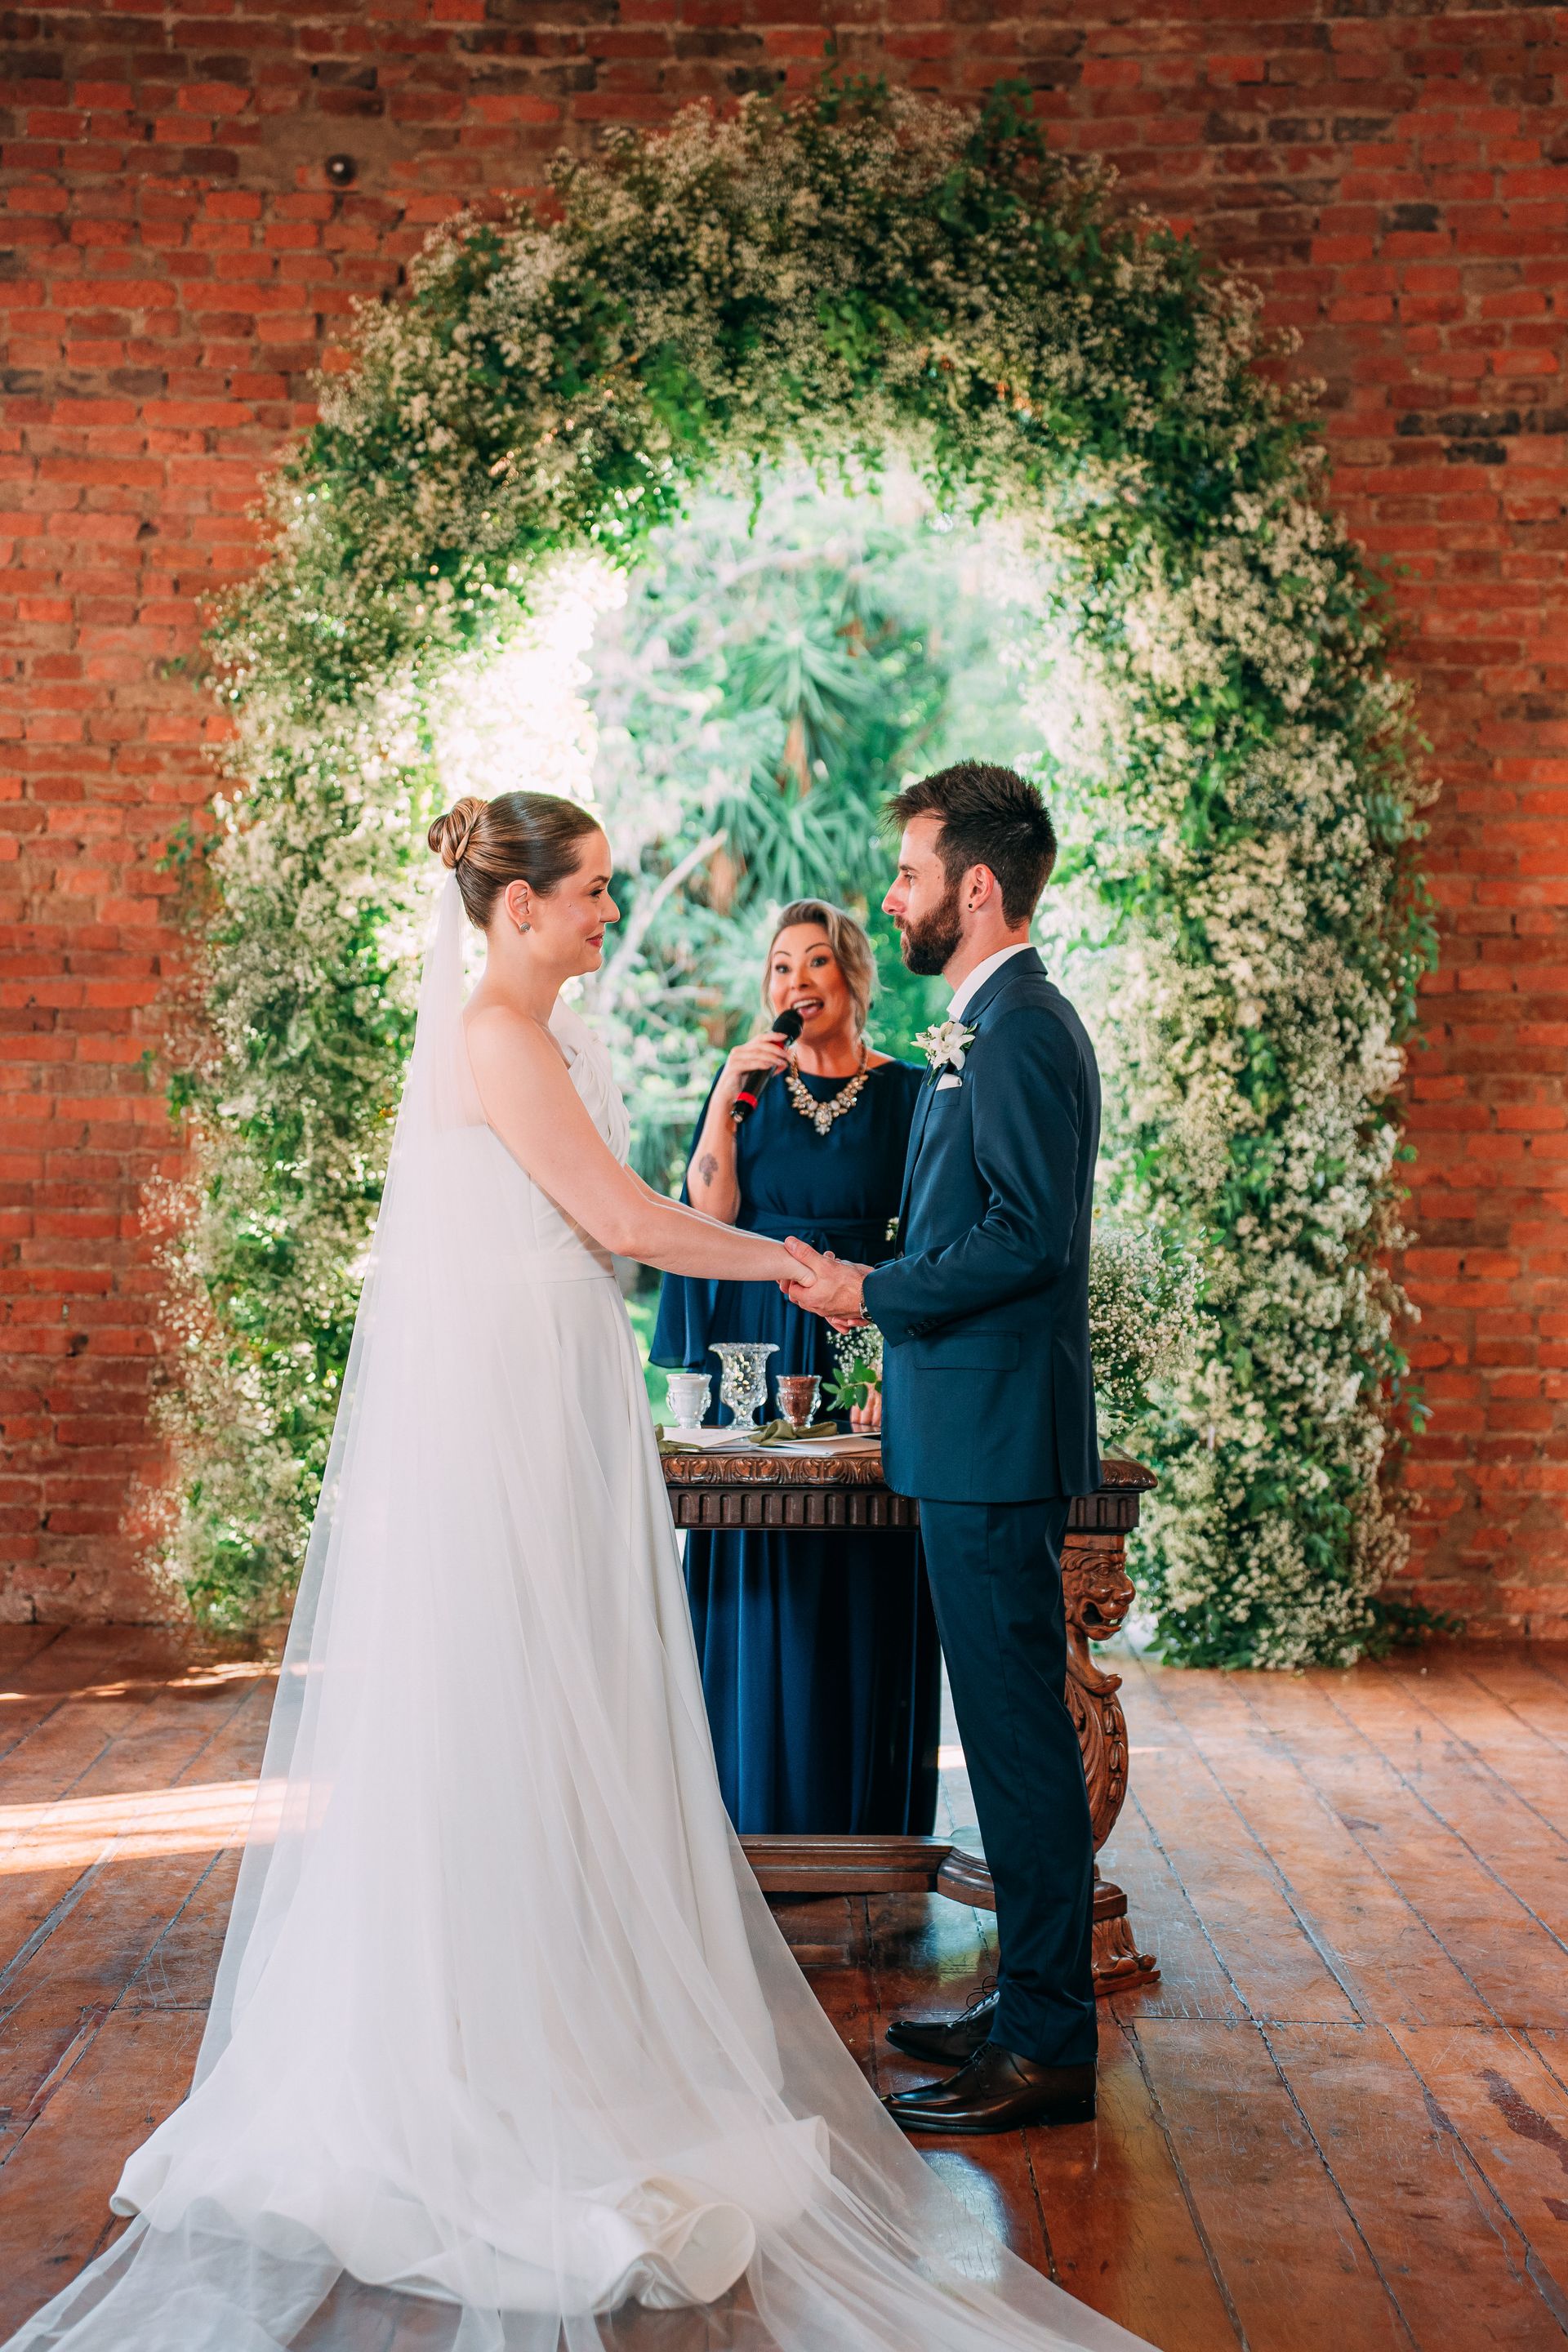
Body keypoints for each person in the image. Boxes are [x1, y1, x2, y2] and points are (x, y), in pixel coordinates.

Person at [6, 790, 1147, 2352]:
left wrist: (848, 1277)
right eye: (597, 890)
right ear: (520, 906)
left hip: (603, 1392)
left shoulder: (563, 1037)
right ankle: (486, 2031)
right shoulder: (499, 1038)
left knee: (566, 1709)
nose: (618, 913)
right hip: (513, 1410)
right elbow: (619, 1218)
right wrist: (811, 1271)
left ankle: (602, 2007)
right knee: (507, 1698)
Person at [785, 762, 1103, 2140]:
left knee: (1022, 1749)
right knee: (1010, 1738)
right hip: (962, 1427)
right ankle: (1025, 2007)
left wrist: (875, 1295)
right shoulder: (987, 1021)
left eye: (910, 873)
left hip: (993, 1441)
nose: (893, 898)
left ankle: (1047, 2048)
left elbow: (1030, 1239)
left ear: (976, 887)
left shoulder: (1022, 1029)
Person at [653, 900, 938, 1836]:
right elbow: (709, 1207)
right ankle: (750, 1810)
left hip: (863, 1335)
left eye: (817, 963)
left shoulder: (911, 1090)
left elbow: (930, 1228)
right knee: (762, 1562)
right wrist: (727, 1099)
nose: (797, 983)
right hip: (761, 1341)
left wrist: (897, 1352)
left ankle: (859, 1818)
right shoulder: (746, 1085)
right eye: (780, 967)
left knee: (860, 1568)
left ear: (855, 978)